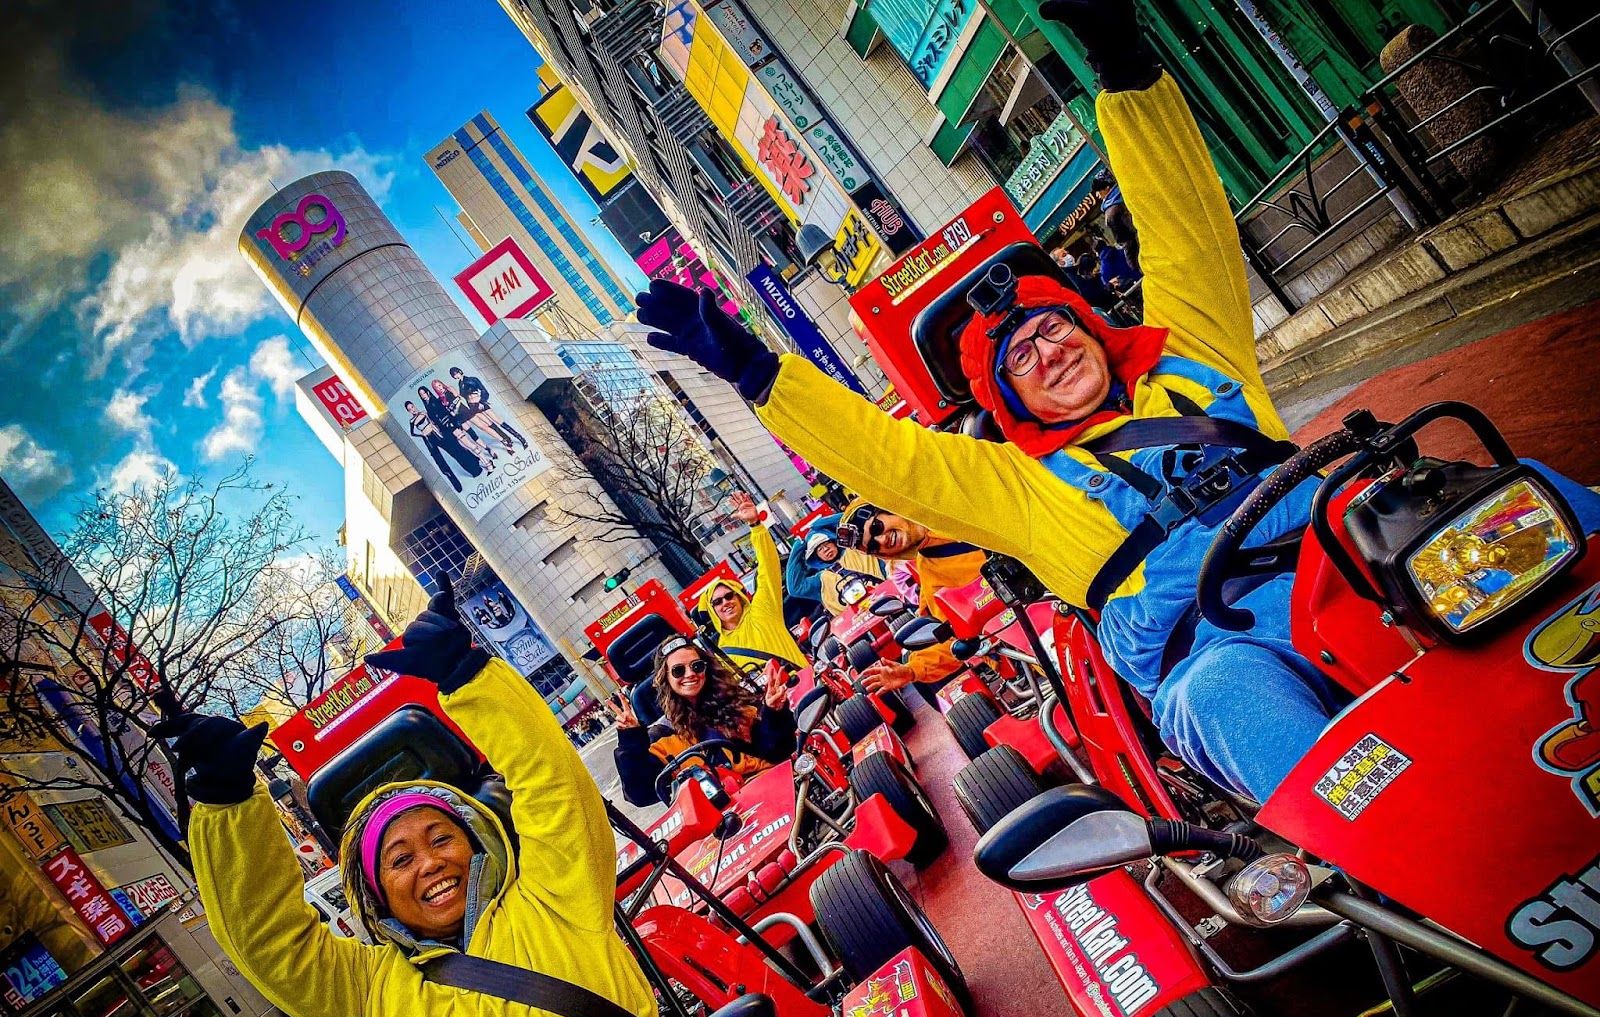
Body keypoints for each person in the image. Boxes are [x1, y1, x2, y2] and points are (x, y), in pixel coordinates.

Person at [636, 0, 1600, 802]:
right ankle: (1404, 838)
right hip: (1227, 649)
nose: (1047, 350)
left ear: (1094, 326)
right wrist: (755, 370)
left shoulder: (1191, 361)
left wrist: (1123, 67)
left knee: (1519, 496)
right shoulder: (1017, 488)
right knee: (1220, 698)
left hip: (1367, 556)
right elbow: (889, 460)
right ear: (1006, 398)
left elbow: (1183, 223)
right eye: (1017, 355)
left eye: (1054, 326)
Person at [163, 589, 707, 1017]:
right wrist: (227, 805)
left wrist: (468, 676)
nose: (430, 862)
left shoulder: (553, 895)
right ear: (375, 894)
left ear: (476, 843)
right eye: (400, 859)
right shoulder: (361, 993)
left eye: (442, 837)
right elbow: (265, 937)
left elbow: (553, 784)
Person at [612, 639, 795, 811]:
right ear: (665, 678)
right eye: (678, 670)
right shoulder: (662, 735)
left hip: (773, 791)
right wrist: (630, 739)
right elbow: (641, 793)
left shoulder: (738, 702)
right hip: (721, 818)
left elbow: (778, 750)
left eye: (697, 666)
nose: (690, 674)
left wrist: (774, 712)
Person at [834, 500, 990, 698]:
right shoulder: (930, 573)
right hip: (1015, 635)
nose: (882, 539)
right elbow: (945, 636)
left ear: (889, 509)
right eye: (874, 546)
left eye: (876, 527)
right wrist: (911, 670)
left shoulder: (954, 504)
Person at [695, 491, 808, 676]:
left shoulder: (762, 608)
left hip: (808, 683)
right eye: (717, 602)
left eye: (729, 596)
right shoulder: (720, 653)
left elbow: (768, 565)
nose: (725, 602)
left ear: (738, 597)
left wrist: (755, 525)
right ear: (712, 610)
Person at [404, 399, 481, 493]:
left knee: (454, 452)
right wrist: (422, 435)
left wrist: (439, 429)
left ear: (414, 405)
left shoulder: (424, 413)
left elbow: (433, 422)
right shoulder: (412, 421)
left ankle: (474, 469)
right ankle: (456, 485)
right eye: (410, 409)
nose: (412, 410)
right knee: (440, 462)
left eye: (412, 407)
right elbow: (412, 433)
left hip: (436, 434)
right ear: (408, 412)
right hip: (428, 440)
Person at [451, 366, 529, 450]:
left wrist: (481, 401)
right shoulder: (460, 384)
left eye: (456, 373)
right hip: (472, 407)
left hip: (480, 403)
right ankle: (506, 439)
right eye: (454, 375)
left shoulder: (472, 379)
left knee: (498, 421)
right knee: (489, 424)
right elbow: (465, 397)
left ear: (460, 371)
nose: (456, 376)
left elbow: (484, 391)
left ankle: (521, 438)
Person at [422, 384, 496, 473]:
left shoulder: (436, 401)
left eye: (424, 393)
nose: (423, 396)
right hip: (447, 429)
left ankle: (487, 463)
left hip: (452, 424)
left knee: (469, 444)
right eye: (421, 395)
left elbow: (447, 412)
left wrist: (454, 423)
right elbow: (437, 420)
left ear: (427, 392)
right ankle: (486, 461)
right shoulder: (430, 405)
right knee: (466, 445)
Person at [433, 378, 512, 454]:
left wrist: (455, 407)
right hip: (460, 416)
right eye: (436, 387)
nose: (439, 388)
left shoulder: (449, 389)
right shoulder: (440, 399)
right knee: (477, 430)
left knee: (483, 426)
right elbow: (449, 410)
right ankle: (495, 445)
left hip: (465, 410)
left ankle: (503, 441)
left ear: (442, 384)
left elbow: (459, 398)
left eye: (439, 385)